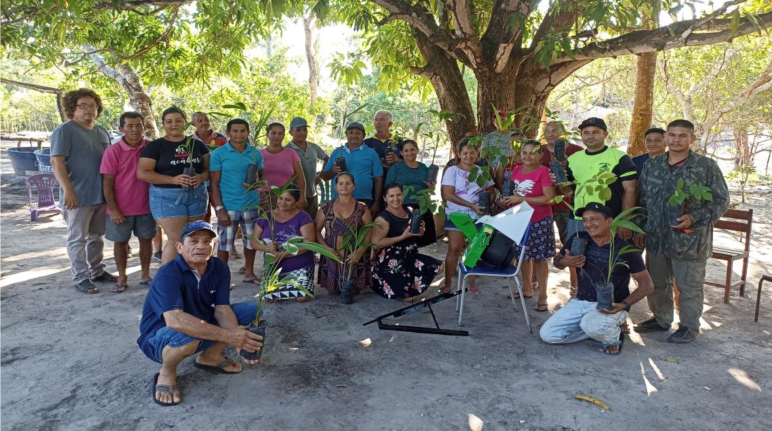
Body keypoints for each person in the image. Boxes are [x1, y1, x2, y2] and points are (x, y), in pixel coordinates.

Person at [137, 221, 263, 406]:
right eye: (193, 241)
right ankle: (167, 372)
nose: (201, 246)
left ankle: (209, 357)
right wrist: (230, 336)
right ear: (179, 247)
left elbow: (222, 309)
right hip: (158, 337)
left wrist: (237, 341)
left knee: (251, 310)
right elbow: (175, 321)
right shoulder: (168, 273)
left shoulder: (218, 266)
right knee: (188, 334)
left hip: (198, 324)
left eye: (207, 241)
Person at [633, 119, 730, 344]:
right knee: (657, 282)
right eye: (672, 135)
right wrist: (640, 227)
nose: (676, 140)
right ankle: (661, 319)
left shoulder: (706, 166)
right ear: (666, 137)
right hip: (656, 238)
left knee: (689, 287)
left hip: (689, 240)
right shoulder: (653, 165)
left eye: (682, 136)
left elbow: (721, 200)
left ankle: (688, 327)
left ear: (692, 139)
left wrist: (693, 218)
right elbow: (643, 200)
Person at [540, 203, 654, 355]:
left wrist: (623, 305)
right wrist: (564, 262)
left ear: (609, 221)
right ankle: (595, 329)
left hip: (610, 306)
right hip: (580, 301)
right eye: (585, 220)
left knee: (594, 326)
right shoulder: (578, 238)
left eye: (594, 219)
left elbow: (647, 285)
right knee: (548, 335)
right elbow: (558, 262)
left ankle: (612, 337)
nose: (588, 224)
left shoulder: (625, 248)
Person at [50, 88, 117, 294]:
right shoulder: (65, 130)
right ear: (73, 108)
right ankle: (81, 276)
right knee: (77, 238)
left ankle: (97, 271)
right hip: (77, 196)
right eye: (83, 106)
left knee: (96, 236)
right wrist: (68, 191)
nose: (89, 110)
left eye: (93, 106)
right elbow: (56, 161)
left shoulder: (102, 131)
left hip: (100, 194)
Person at [138, 106, 210, 264]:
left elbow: (208, 170)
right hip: (167, 197)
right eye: (169, 121)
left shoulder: (197, 145)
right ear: (163, 124)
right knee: (176, 239)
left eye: (178, 120)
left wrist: (201, 177)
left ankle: (193, 276)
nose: (174, 124)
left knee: (193, 238)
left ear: (186, 123)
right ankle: (169, 281)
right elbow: (143, 173)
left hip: (196, 195)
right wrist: (173, 180)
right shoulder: (155, 147)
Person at [100, 112, 156, 292]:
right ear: (121, 129)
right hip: (120, 209)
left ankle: (145, 274)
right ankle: (122, 277)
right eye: (129, 126)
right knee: (121, 243)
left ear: (144, 127)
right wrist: (113, 209)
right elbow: (107, 183)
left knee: (146, 241)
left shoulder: (151, 148)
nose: (134, 129)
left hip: (147, 207)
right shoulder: (113, 151)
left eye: (138, 125)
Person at [558, 117, 638, 242]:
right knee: (576, 259)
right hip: (579, 220)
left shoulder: (620, 157)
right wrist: (560, 180)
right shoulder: (573, 159)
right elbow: (567, 191)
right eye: (586, 133)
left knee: (606, 260)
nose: (590, 136)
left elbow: (631, 190)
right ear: (581, 135)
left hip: (609, 220)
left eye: (595, 132)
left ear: (605, 134)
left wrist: (624, 221)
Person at [500, 141, 556, 312]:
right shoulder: (515, 171)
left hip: (539, 220)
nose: (527, 156)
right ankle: (527, 289)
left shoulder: (544, 171)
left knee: (540, 258)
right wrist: (506, 201)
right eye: (524, 152)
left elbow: (549, 198)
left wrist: (521, 199)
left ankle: (543, 296)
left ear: (540, 155)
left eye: (532, 153)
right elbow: (513, 195)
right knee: (523, 255)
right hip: (519, 219)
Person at [209, 119, 263, 284]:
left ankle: (249, 272)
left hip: (251, 205)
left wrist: (256, 184)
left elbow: (262, 177)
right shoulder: (218, 154)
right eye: (235, 131)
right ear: (228, 133)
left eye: (242, 131)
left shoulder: (255, 153)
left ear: (247, 133)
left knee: (250, 242)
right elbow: (214, 184)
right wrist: (220, 209)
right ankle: (222, 278)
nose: (239, 134)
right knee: (225, 244)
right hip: (228, 206)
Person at [441, 138, 495, 294]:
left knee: (474, 249)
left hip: (478, 215)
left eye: (472, 153)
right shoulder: (452, 171)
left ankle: (471, 282)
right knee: (454, 249)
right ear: (459, 154)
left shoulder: (480, 171)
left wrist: (486, 204)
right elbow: (448, 195)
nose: (469, 156)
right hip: (457, 215)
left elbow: (491, 192)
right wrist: (471, 205)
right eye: (465, 153)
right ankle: (448, 283)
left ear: (477, 154)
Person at [371, 184, 442, 301]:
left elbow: (417, 235)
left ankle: (409, 284)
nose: (396, 198)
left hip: (410, 256)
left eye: (398, 195)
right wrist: (402, 236)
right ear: (385, 198)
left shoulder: (409, 210)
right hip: (392, 261)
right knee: (409, 299)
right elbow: (376, 243)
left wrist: (422, 230)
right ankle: (384, 282)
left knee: (439, 267)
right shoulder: (382, 219)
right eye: (391, 196)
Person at [251, 187, 316, 301]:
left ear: (296, 202)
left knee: (302, 297)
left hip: (299, 263)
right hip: (274, 265)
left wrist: (281, 255)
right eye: (280, 198)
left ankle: (299, 281)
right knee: (269, 297)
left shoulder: (303, 217)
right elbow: (253, 241)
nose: (282, 202)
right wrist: (266, 248)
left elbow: (308, 244)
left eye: (288, 200)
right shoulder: (266, 216)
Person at [315, 173, 373, 295]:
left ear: (354, 186)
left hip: (354, 256)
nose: (344, 186)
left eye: (348, 183)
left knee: (353, 292)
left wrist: (360, 251)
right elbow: (316, 230)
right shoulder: (326, 208)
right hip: (332, 255)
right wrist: (325, 249)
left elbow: (368, 232)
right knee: (333, 292)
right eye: (340, 183)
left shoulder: (362, 209)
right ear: (335, 186)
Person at [321, 122, 384, 215]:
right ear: (347, 135)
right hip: (339, 199)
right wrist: (333, 171)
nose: (354, 135)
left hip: (364, 198)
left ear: (364, 136)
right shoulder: (338, 152)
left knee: (362, 228)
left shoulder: (371, 153)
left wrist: (377, 202)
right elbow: (324, 177)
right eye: (351, 132)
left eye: (358, 133)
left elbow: (378, 179)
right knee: (338, 227)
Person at [384, 139, 437, 247]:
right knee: (406, 242)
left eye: (412, 150)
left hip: (422, 207)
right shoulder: (396, 168)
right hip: (402, 208)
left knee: (422, 242)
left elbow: (430, 188)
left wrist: (432, 189)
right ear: (402, 153)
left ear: (417, 151)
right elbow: (388, 189)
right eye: (406, 150)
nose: (409, 153)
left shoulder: (424, 168)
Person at [286, 116, 329, 220]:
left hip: (312, 193)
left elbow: (327, 159)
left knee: (312, 222)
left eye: (304, 129)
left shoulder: (313, 147)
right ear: (291, 132)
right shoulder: (287, 149)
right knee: (298, 225)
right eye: (298, 130)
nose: (302, 132)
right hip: (295, 195)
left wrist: (321, 176)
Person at [191, 112, 227, 226]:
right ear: (193, 124)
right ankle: (207, 238)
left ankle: (225, 239)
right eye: (200, 121)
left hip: (219, 182)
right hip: (200, 183)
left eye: (206, 119)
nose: (204, 122)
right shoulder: (189, 141)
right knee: (204, 214)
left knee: (221, 210)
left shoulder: (220, 139)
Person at [259, 123, 307, 211]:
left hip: (287, 195)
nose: (276, 136)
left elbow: (300, 177)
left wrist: (302, 196)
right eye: (273, 133)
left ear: (284, 135)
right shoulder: (259, 154)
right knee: (266, 223)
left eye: (280, 133)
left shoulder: (291, 153)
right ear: (267, 134)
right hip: (264, 196)